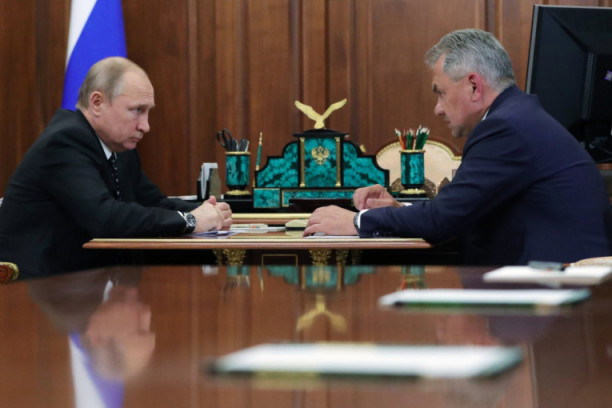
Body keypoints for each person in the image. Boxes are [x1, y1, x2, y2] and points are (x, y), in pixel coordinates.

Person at [304, 29, 611, 265]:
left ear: (474, 86)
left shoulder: (505, 128)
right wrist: (399, 210)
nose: (437, 109)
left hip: (558, 299)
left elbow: (443, 219)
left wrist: (356, 221)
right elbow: (458, 211)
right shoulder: (518, 117)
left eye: (440, 93)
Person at [0, 57, 232, 278]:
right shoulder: (64, 142)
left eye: (148, 111)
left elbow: (152, 202)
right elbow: (105, 217)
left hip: (89, 282)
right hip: (38, 288)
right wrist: (190, 220)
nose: (146, 126)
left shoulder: (119, 146)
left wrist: (207, 211)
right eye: (137, 110)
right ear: (97, 103)